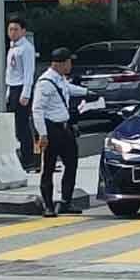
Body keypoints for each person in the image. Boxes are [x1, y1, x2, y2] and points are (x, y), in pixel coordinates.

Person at [33, 47, 91, 217]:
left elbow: (68, 89)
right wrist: (42, 134)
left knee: (71, 163)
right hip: (51, 129)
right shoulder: (45, 83)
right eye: (69, 62)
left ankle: (66, 201)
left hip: (65, 128)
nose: (71, 65)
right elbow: (37, 110)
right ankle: (49, 206)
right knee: (49, 168)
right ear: (61, 63)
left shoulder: (59, 79)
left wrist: (88, 93)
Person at [5, 16, 37, 170]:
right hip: (12, 88)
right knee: (13, 126)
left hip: (20, 88)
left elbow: (28, 72)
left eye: (16, 29)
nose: (12, 32)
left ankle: (28, 157)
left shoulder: (26, 48)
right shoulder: (12, 47)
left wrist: (26, 93)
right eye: (10, 29)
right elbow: (10, 72)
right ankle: (19, 155)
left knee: (22, 125)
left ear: (23, 31)